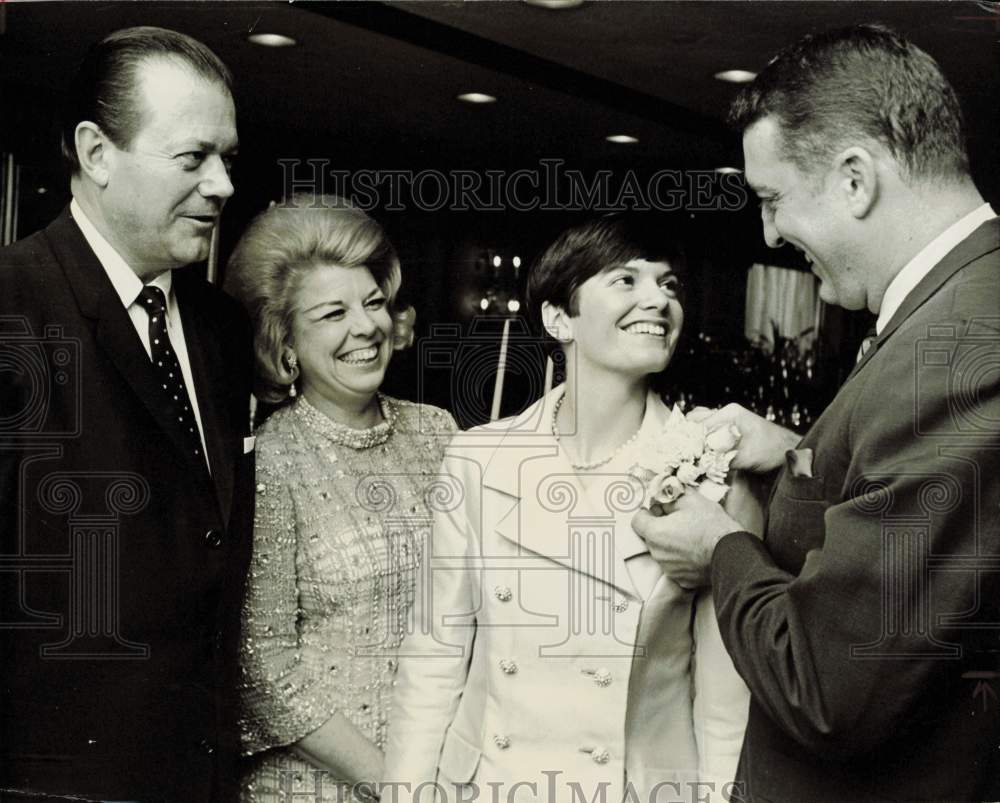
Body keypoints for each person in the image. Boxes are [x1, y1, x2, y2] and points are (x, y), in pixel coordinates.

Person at [633, 24, 1000, 803]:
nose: (769, 233)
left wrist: (721, 547)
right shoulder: (957, 308)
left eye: (772, 200)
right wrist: (801, 454)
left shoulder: (958, 349)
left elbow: (831, 693)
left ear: (854, 179)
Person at [385, 216, 753, 803]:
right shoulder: (479, 459)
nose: (657, 299)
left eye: (669, 284)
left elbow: (723, 699)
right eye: (626, 281)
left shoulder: (714, 476)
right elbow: (434, 657)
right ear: (560, 318)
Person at [0, 26, 252, 802]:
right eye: (192, 158)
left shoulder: (218, 325)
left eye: (228, 160)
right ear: (96, 153)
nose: (222, 186)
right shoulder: (11, 306)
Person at [225, 196, 457, 803]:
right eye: (333, 313)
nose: (366, 327)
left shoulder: (438, 432)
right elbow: (263, 667)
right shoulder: (269, 463)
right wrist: (397, 783)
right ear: (284, 344)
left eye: (373, 302)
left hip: (445, 770)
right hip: (313, 787)